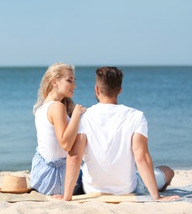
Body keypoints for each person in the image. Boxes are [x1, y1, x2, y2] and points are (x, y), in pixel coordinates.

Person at [63, 67, 180, 201]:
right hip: (127, 189)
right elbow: (141, 157)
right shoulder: (136, 116)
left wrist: (67, 197)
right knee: (167, 171)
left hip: (91, 189)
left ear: (97, 89)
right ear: (120, 90)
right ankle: (154, 189)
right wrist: (156, 197)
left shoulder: (84, 116)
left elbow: (74, 156)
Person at [30, 63, 86, 195]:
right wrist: (76, 116)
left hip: (41, 176)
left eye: (74, 81)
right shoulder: (57, 107)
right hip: (55, 180)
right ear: (54, 82)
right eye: (69, 80)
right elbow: (65, 144)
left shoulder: (42, 108)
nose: (74, 85)